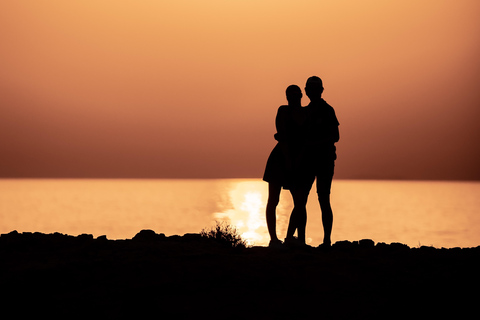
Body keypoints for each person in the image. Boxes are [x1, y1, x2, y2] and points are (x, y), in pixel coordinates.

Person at [263, 84, 309, 247]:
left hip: (298, 159)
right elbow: (281, 135)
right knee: (273, 200)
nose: (293, 98)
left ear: (301, 96)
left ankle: (291, 237)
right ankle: (273, 239)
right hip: (279, 159)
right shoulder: (283, 110)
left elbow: (306, 139)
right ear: (287, 97)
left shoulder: (305, 113)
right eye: (290, 96)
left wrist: (298, 158)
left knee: (299, 201)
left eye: (296, 95)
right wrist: (288, 158)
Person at [303, 76, 340, 247]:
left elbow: (335, 136)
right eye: (310, 88)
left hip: (324, 160)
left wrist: (313, 144)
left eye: (316, 88)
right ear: (306, 91)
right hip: (307, 161)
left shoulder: (328, 110)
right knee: (301, 199)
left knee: (323, 199)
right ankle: (300, 240)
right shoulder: (305, 111)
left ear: (321, 90)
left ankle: (327, 240)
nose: (312, 91)